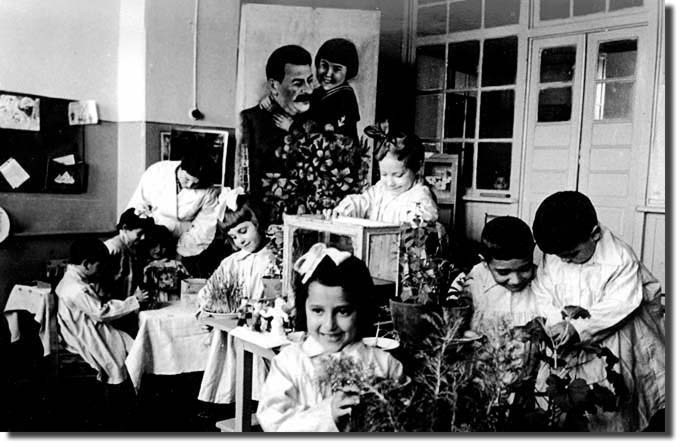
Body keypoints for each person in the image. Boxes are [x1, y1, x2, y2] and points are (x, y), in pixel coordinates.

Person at [531, 190, 665, 432]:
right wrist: (554, 323)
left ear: (594, 234)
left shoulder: (620, 258)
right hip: (565, 330)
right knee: (561, 393)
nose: (566, 261)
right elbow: (542, 290)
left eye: (571, 255)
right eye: (560, 257)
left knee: (613, 392)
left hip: (612, 330)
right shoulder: (556, 255)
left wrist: (579, 328)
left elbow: (620, 304)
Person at [255, 243, 403, 432]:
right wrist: (327, 414)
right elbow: (273, 423)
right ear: (303, 309)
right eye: (317, 311)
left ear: (361, 310)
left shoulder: (384, 364)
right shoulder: (289, 363)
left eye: (343, 311)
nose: (329, 325)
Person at [55, 238, 148, 385]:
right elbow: (101, 313)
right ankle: (126, 386)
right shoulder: (77, 288)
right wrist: (134, 301)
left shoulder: (72, 278)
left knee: (128, 342)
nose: (102, 268)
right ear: (86, 264)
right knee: (123, 352)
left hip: (81, 324)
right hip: (82, 332)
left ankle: (133, 380)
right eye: (100, 265)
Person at [238, 44, 314, 204]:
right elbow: (243, 177)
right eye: (298, 83)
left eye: (310, 81)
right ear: (274, 86)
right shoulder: (252, 119)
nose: (308, 90)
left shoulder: (315, 121)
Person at [126, 155, 221, 265]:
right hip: (147, 238)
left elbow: (204, 227)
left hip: (182, 241)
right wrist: (144, 241)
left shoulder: (209, 190)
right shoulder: (157, 171)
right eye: (187, 179)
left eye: (196, 183)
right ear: (181, 166)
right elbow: (138, 204)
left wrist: (179, 252)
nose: (190, 185)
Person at [332, 131, 438, 225]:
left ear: (417, 168)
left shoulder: (420, 196)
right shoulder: (379, 189)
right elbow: (362, 202)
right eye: (384, 174)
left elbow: (422, 218)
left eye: (398, 175)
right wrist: (343, 211)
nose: (390, 183)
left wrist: (413, 219)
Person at [196, 193, 276, 313]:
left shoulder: (276, 258)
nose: (240, 240)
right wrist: (207, 311)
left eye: (243, 231)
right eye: (233, 237)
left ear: (257, 222)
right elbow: (205, 294)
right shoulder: (231, 263)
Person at [462, 216, 540, 331]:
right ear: (484, 263)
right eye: (503, 272)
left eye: (524, 269)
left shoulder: (542, 279)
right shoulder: (477, 277)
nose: (516, 280)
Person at [310, 38, 361, 143]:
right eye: (324, 66)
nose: (328, 74)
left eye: (337, 69)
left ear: (349, 71)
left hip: (338, 152)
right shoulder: (316, 93)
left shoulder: (346, 97)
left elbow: (334, 131)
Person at [104, 208, 154, 301]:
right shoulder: (113, 247)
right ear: (125, 228)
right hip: (114, 303)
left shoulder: (134, 246)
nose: (143, 238)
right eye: (139, 233)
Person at [141, 224, 190, 304]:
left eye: (162, 246)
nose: (158, 250)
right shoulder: (145, 267)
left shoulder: (177, 265)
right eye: (154, 246)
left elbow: (189, 285)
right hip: (153, 306)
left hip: (174, 304)